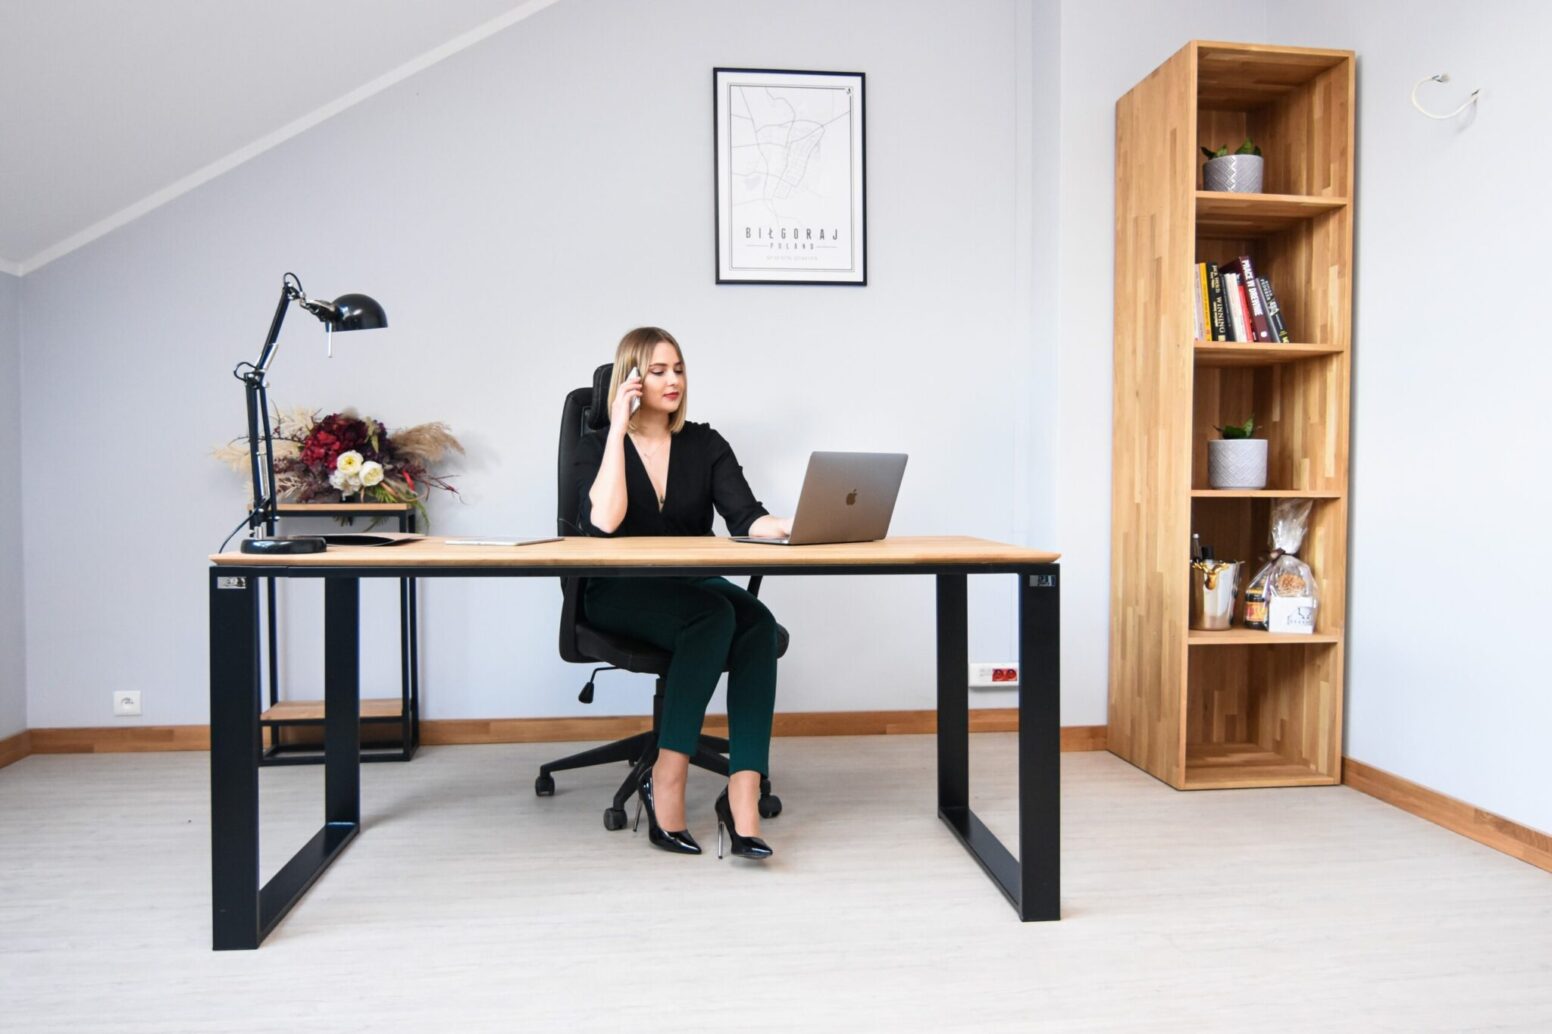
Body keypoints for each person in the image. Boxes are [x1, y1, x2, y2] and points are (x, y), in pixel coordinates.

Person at [574, 327, 791, 860]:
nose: (673, 380)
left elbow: (747, 518)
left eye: (678, 369)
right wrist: (617, 428)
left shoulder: (705, 444)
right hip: (617, 590)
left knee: (758, 624)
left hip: (690, 584)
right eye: (657, 371)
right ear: (630, 379)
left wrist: (799, 524)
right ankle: (666, 778)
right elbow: (604, 522)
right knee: (712, 616)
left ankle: (741, 794)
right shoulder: (597, 445)